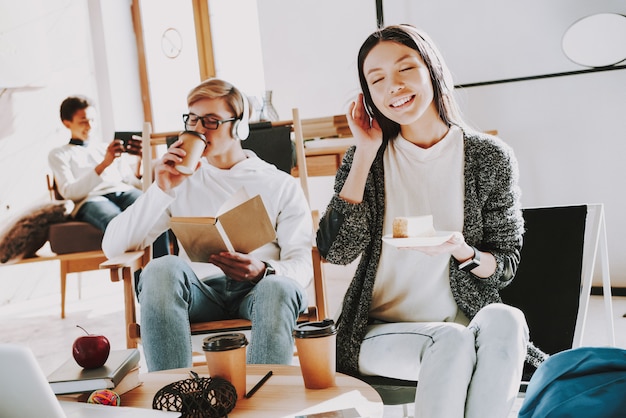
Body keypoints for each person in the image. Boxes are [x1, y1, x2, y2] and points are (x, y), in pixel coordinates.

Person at [316, 25, 547, 418]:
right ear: (369, 95)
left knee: (507, 318)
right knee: (451, 342)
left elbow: (504, 265)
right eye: (377, 79)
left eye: (406, 69)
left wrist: (462, 251)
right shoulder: (367, 160)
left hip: (465, 321)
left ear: (432, 70)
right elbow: (336, 252)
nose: (393, 86)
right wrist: (365, 152)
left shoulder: (488, 157)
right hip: (377, 331)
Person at [102, 78, 313, 372]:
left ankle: (265, 407)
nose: (199, 129)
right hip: (198, 294)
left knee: (279, 288)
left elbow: (304, 261)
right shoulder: (180, 182)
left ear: (239, 126)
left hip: (260, 293)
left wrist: (264, 270)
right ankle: (174, 398)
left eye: (211, 121)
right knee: (160, 268)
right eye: (193, 120)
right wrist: (160, 190)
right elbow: (111, 246)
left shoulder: (279, 184)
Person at [48, 96, 144, 232]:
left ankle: (161, 254)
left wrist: (141, 159)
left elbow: (133, 183)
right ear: (67, 123)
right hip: (91, 199)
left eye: (93, 120)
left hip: (122, 191)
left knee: (154, 211)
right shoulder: (59, 154)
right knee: (116, 222)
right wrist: (104, 164)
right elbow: (69, 193)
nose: (90, 126)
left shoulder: (107, 148)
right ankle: (134, 251)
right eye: (83, 121)